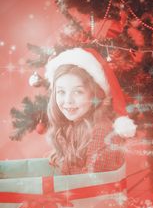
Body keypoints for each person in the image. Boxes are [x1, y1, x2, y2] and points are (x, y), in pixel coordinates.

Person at [45, 47, 137, 175]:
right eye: (61, 91)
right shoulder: (72, 126)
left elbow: (93, 187)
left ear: (94, 95)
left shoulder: (102, 133)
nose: (68, 101)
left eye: (78, 92)